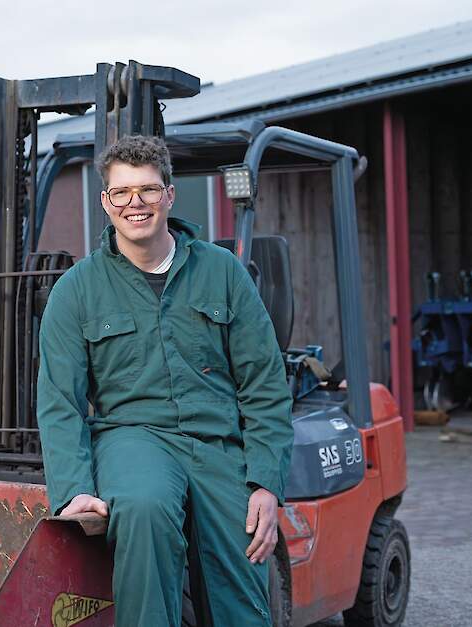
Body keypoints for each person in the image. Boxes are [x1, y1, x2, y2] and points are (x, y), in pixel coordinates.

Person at [37, 134, 293, 626]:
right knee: (143, 506)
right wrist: (73, 488)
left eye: (149, 190)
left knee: (245, 561)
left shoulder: (223, 273)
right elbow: (59, 401)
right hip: (135, 437)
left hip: (219, 444)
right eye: (123, 193)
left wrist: (265, 482)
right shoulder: (76, 291)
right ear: (105, 202)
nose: (137, 203)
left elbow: (264, 382)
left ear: (170, 195)